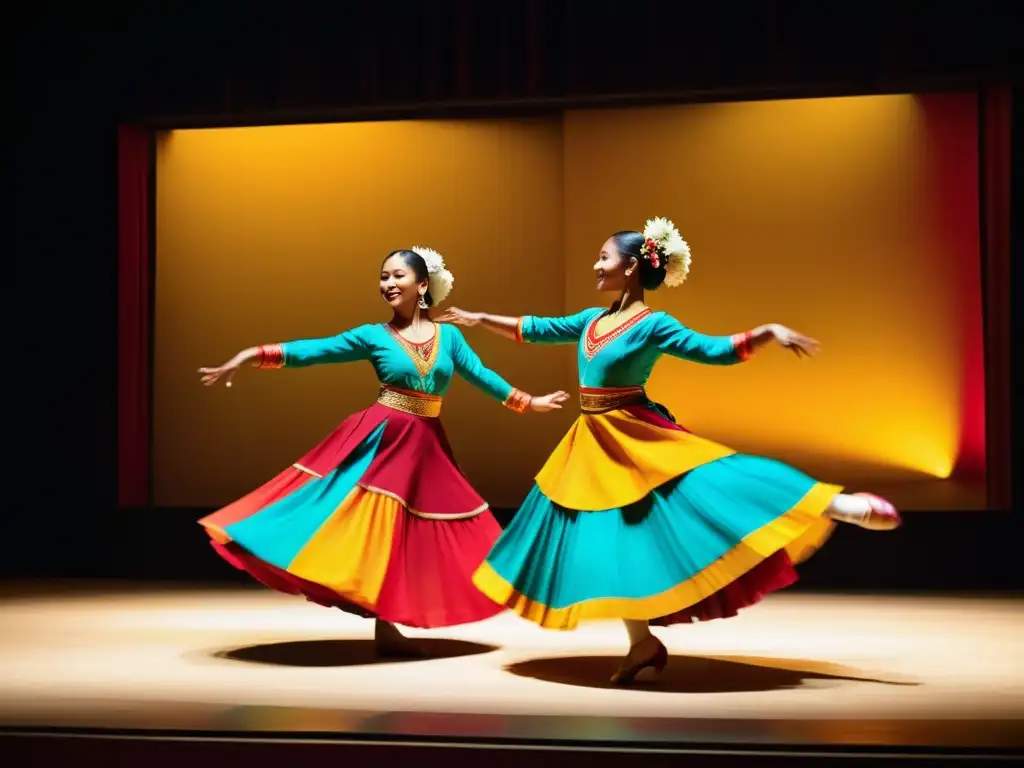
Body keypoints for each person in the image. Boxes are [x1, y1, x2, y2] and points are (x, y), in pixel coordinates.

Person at [436, 218, 901, 684]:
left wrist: (767, 331)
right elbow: (535, 329)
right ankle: (642, 643)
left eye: (604, 257)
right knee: (609, 536)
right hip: (593, 440)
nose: (596, 265)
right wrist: (479, 319)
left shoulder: (653, 324)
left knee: (720, 481)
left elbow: (712, 351)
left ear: (632, 266)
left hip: (635, 432)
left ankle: (838, 504)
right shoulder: (591, 320)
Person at [197, 246, 569, 657]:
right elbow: (315, 350)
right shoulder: (373, 336)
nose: (388, 284)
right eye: (383, 277)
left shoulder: (451, 337)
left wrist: (527, 401)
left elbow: (480, 375)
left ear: (422, 284)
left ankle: (404, 620)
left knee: (428, 530)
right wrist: (251, 355)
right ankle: (385, 626)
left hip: (426, 443)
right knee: (377, 526)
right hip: (382, 439)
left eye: (397, 276)